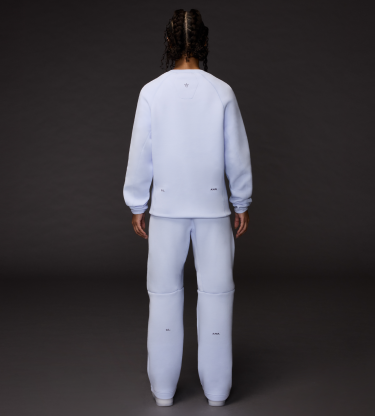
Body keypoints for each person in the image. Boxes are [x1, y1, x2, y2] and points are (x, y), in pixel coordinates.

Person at [123, 9, 253, 407]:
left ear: (168, 43)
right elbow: (236, 153)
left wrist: (137, 204)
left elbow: (140, 153)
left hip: (165, 211)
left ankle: (163, 393)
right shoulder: (221, 91)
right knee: (217, 296)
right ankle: (217, 392)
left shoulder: (151, 92)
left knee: (163, 297)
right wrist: (241, 200)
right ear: (204, 43)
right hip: (214, 210)